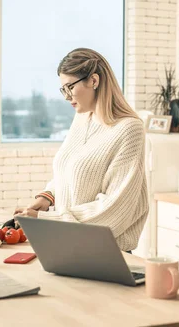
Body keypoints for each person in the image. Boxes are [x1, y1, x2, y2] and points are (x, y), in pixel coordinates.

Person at [14, 48, 149, 252]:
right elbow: (68, 171)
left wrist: (47, 220)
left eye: (70, 87)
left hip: (105, 254)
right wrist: (47, 197)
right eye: (63, 89)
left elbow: (115, 209)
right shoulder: (82, 117)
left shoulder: (130, 129)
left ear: (94, 81)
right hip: (68, 245)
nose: (67, 97)